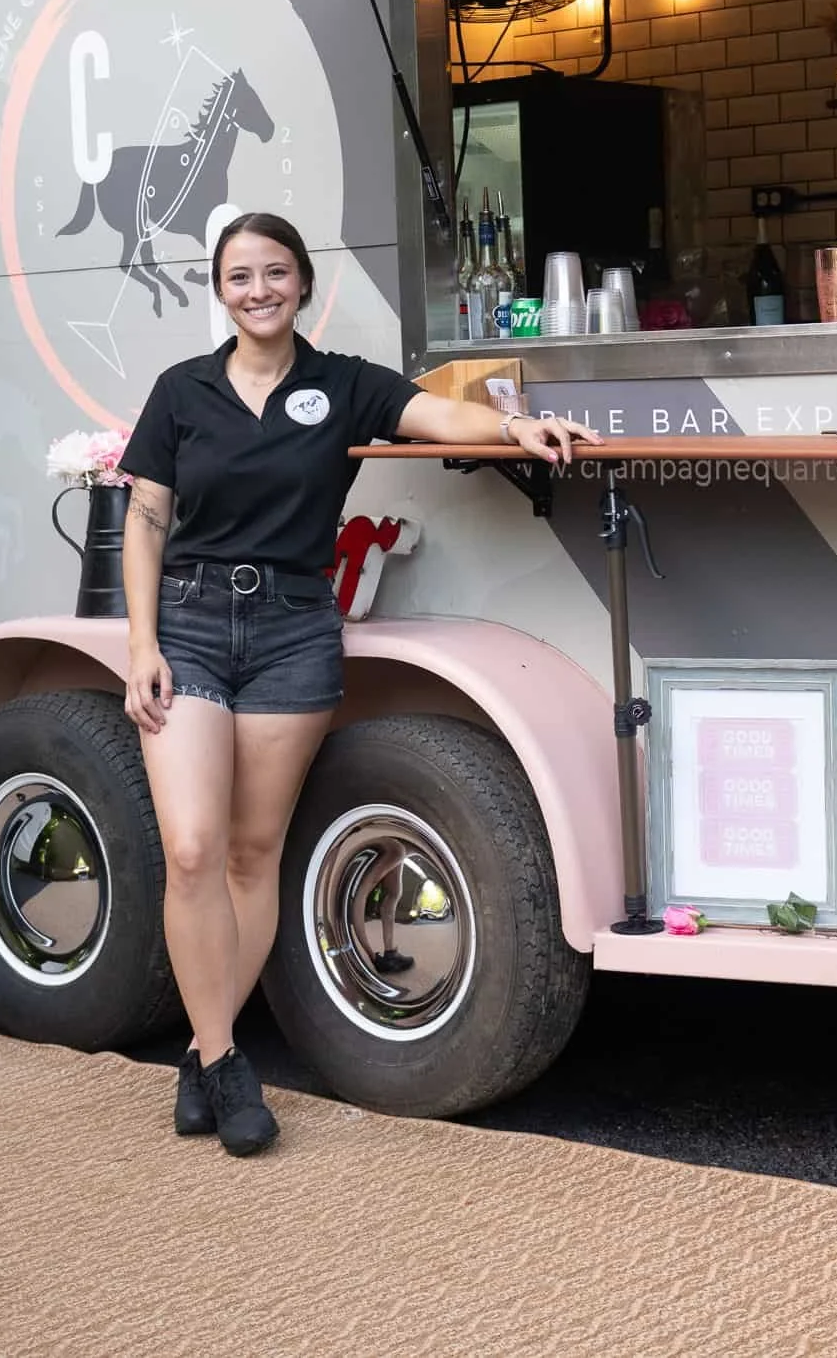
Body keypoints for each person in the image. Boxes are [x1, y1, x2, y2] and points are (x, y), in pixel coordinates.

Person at [116, 212, 601, 1156]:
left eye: (275, 273)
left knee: (256, 853)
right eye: (239, 276)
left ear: (303, 283)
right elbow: (144, 520)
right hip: (192, 624)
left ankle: (201, 1053)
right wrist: (142, 642)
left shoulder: (341, 384)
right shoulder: (182, 392)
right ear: (221, 290)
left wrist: (514, 423)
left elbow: (437, 414)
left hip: (295, 627)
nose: (258, 290)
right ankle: (225, 1061)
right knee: (191, 848)